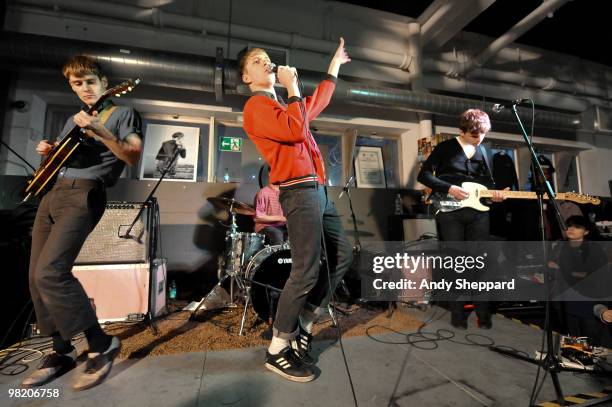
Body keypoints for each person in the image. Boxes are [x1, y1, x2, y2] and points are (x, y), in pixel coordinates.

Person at [23, 56, 143, 390]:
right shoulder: (73, 119)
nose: (84, 89)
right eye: (77, 84)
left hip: (84, 192)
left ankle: (101, 343)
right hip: (52, 194)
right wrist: (48, 151)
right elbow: (63, 155)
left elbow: (132, 155)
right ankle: (61, 350)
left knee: (51, 271)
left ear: (104, 83)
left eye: (90, 81)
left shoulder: (121, 113)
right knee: (36, 277)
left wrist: (102, 131)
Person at [240, 38, 352, 382]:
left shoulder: (286, 105)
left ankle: (303, 319)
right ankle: (277, 349)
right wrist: (291, 87)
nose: (267, 63)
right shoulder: (257, 106)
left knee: (342, 254)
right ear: (247, 77)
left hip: (317, 190)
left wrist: (333, 66)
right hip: (298, 190)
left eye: (268, 58)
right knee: (304, 270)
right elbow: (294, 129)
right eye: (258, 61)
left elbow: (316, 102)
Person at [417, 109, 505, 330]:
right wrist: (449, 188)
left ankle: (483, 316)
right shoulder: (445, 148)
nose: (479, 139)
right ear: (462, 130)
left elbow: (488, 184)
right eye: (474, 135)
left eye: (483, 134)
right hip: (451, 211)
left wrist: (496, 196)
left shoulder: (485, 151)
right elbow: (424, 175)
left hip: (479, 212)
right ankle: (457, 315)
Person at [549, 215, 610, 345]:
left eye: (577, 227)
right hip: (565, 298)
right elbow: (548, 266)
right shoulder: (560, 246)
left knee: (590, 338)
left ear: (586, 232)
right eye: (569, 226)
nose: (571, 229)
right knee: (571, 338)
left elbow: (589, 274)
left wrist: (562, 269)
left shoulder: (594, 249)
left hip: (589, 299)